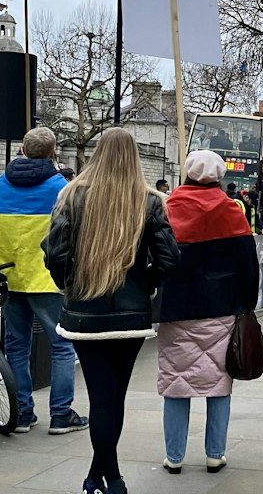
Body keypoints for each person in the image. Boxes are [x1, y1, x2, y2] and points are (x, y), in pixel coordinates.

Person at [43, 128, 180, 494]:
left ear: (97, 155)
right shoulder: (150, 200)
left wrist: (70, 284)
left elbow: (55, 254)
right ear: (134, 158)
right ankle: (107, 478)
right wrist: (145, 283)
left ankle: (102, 478)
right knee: (113, 398)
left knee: (103, 398)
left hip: (85, 314)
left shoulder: (71, 195)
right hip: (131, 315)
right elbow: (170, 258)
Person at [0, 126, 86, 435]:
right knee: (62, 348)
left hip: (8, 276)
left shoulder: (2, 185)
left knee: (16, 348)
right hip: (47, 280)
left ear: (22, 151)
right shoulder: (61, 187)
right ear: (53, 152)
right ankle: (61, 414)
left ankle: (21, 414)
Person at [157, 151, 259, 473]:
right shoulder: (233, 210)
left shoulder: (170, 207)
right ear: (219, 175)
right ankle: (215, 453)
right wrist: (246, 304)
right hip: (222, 309)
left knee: (176, 382)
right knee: (219, 382)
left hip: (177, 309)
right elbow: (248, 264)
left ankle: (174, 457)